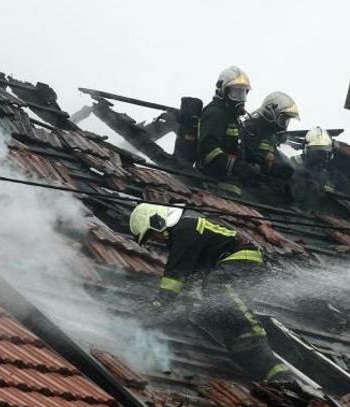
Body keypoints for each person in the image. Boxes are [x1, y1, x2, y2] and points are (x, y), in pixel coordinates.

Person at [128, 202, 293, 382]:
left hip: (243, 256)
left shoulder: (184, 228)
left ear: (158, 221)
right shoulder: (183, 234)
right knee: (231, 334)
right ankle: (274, 373)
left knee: (216, 287)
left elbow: (175, 275)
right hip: (229, 264)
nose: (156, 240)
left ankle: (251, 329)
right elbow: (188, 277)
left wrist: (158, 305)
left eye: (152, 234)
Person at [197, 66, 261, 196]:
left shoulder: (231, 117)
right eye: (236, 93)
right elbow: (207, 148)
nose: (240, 98)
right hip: (213, 185)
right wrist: (238, 166)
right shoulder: (216, 112)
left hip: (230, 187)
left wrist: (256, 158)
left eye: (243, 93)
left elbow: (235, 146)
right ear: (223, 91)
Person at [240, 91, 300, 180]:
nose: (284, 124)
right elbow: (245, 156)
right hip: (247, 181)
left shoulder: (271, 135)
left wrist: (292, 168)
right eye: (283, 119)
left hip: (260, 181)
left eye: (286, 120)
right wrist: (271, 167)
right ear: (271, 112)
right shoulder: (251, 127)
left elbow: (274, 155)